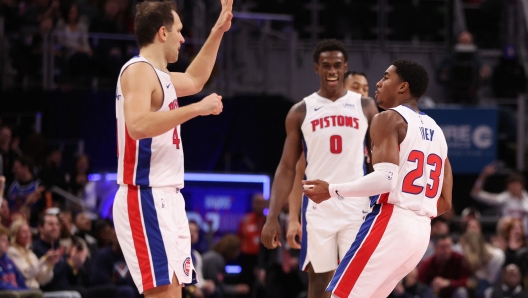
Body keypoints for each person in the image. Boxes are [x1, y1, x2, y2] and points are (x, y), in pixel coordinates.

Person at [112, 0, 232, 297]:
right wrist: (197, 109)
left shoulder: (161, 76)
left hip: (167, 196)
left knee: (175, 292)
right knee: (162, 293)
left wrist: (218, 30)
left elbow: (195, 79)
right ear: (162, 33)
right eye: (179, 31)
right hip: (145, 195)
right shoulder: (138, 70)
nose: (183, 38)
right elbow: (137, 125)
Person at [302, 59, 453, 297]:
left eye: (385, 77)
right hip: (421, 234)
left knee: (341, 295)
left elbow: (385, 180)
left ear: (403, 87)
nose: (378, 83)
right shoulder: (437, 131)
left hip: (391, 221)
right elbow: (445, 201)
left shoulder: (388, 119)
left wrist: (331, 190)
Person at [261, 39, 378, 298]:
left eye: (337, 65)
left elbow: (382, 161)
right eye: (326, 65)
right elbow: (287, 167)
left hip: (355, 204)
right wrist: (273, 218)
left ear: (344, 67)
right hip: (317, 207)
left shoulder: (366, 107)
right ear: (316, 68)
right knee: (319, 283)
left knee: (356, 282)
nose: (332, 71)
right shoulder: (300, 110)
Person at [471, 163, 528, 232]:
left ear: (522, 185)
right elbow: (476, 194)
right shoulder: (503, 198)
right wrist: (483, 175)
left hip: (525, 235)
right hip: (507, 235)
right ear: (508, 187)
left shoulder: (526, 199)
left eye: (517, 184)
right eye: (512, 184)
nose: (515, 187)